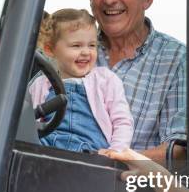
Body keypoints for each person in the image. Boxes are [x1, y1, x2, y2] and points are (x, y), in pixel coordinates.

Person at [89, 0, 186, 163]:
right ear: (90, 0)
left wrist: (108, 162)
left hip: (131, 189)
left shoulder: (176, 58)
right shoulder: (71, 51)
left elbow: (178, 151)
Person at [29, 8, 134, 152]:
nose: (86, 52)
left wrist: (116, 150)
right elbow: (30, 122)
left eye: (92, 45)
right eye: (76, 46)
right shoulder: (40, 84)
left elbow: (122, 121)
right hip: (48, 146)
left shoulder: (106, 80)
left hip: (91, 150)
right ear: (50, 49)